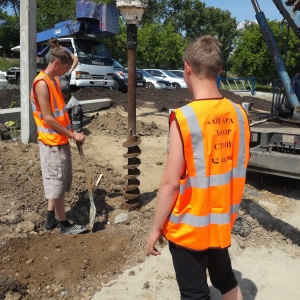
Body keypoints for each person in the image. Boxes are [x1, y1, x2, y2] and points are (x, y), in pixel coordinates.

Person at [146, 35, 251, 300]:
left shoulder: (183, 118)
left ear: (187, 68)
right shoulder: (240, 114)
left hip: (189, 228)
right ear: (219, 71)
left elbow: (171, 184)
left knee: (194, 293)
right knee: (225, 279)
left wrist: (156, 228)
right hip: (221, 221)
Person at [31, 47, 88, 234]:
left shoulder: (54, 80)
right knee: (56, 181)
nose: (67, 71)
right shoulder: (41, 84)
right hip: (50, 142)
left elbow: (61, 113)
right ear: (56, 63)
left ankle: (50, 218)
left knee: (58, 180)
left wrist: (73, 131)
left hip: (60, 138)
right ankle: (64, 224)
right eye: (65, 67)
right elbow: (48, 118)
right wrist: (72, 135)